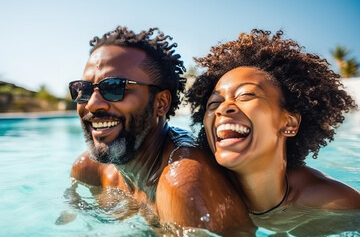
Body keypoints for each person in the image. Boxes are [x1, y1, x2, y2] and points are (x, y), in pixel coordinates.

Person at [68, 26, 253, 235]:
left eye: (114, 87)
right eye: (83, 90)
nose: (92, 104)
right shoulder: (89, 169)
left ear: (161, 103)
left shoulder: (182, 187)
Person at [186, 29, 360, 234]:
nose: (223, 108)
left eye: (246, 95)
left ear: (289, 124)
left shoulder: (336, 203)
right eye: (214, 103)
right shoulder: (198, 188)